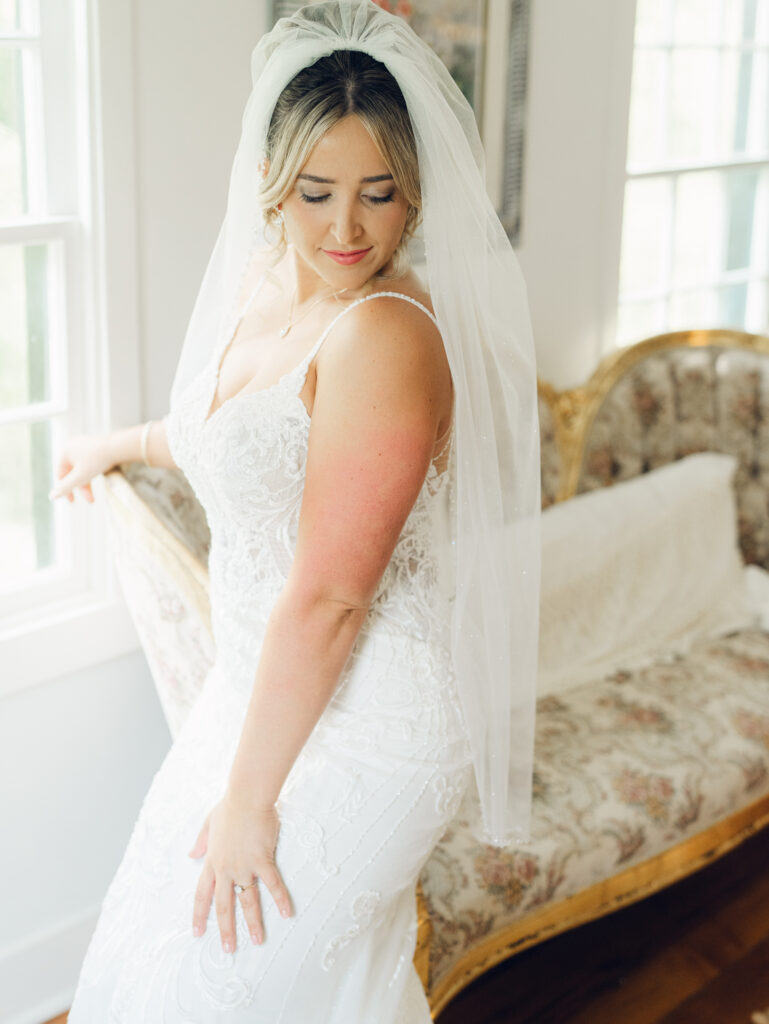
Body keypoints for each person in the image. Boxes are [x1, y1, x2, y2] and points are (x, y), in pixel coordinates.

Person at [53, 1, 541, 1019]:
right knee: (150, 962)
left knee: (217, 991)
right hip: (258, 692)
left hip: (373, 722)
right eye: (316, 193)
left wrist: (248, 801)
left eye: (380, 195)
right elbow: (230, 432)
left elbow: (327, 599)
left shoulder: (386, 340)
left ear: (416, 197)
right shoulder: (263, 284)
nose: (346, 229)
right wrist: (117, 445)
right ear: (273, 183)